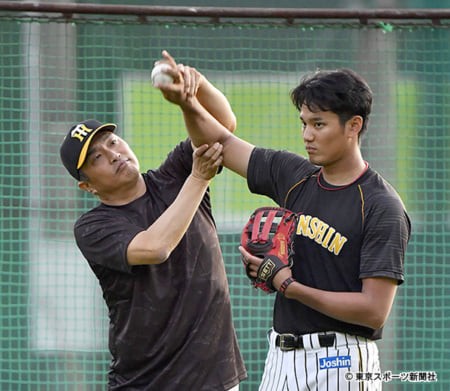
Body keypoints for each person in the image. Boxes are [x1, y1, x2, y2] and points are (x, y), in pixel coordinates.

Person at [157, 51, 411, 391]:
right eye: (304, 122)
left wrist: (288, 285)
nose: (307, 134)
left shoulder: (381, 206)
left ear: (354, 125)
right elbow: (221, 142)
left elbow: (373, 310)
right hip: (281, 358)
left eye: (319, 124)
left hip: (342, 361)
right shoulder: (295, 176)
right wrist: (187, 101)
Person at [59, 63, 247, 390]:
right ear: (87, 186)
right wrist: (199, 177)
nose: (113, 154)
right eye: (97, 158)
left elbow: (223, 127)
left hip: (215, 376)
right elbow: (154, 247)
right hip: (147, 381)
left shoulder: (174, 175)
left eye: (113, 142)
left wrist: (195, 86)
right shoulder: (93, 227)